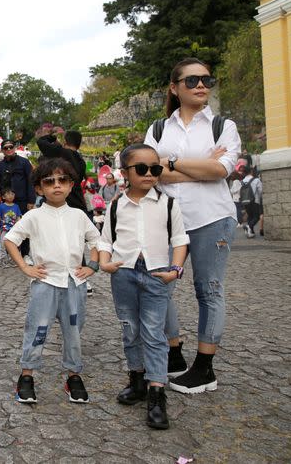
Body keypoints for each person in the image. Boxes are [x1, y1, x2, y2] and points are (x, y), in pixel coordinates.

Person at [144, 57, 241, 394]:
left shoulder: (222, 126)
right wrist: (202, 165)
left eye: (206, 80)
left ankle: (204, 368)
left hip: (212, 217)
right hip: (169, 220)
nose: (201, 85)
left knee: (208, 289)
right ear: (174, 87)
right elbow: (148, 172)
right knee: (160, 286)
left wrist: (171, 163)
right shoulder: (159, 128)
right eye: (192, 80)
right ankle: (173, 353)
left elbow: (222, 171)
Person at [98, 143, 190, 430]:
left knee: (154, 332)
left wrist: (175, 269)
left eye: (155, 168)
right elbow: (105, 241)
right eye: (142, 169)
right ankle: (136, 379)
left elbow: (179, 239)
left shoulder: (168, 204)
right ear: (125, 172)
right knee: (130, 328)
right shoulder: (115, 206)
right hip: (123, 273)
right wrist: (104, 262)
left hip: (156, 274)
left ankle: (156, 392)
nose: (150, 174)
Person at [5, 157, 100, 405]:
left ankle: (74, 375)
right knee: (37, 329)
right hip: (45, 283)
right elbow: (10, 240)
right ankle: (27, 376)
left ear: (71, 185)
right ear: (39, 188)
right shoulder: (34, 216)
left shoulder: (79, 215)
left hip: (74, 284)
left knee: (74, 332)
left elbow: (96, 240)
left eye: (62, 180)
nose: (56, 186)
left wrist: (93, 265)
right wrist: (25, 267)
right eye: (49, 181)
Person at [0, 140, 36, 255]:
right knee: (7, 227)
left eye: (10, 147)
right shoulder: (0, 165)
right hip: (7, 202)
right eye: (6, 148)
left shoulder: (24, 162)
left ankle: (25, 253)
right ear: (3, 150)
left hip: (22, 200)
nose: (8, 150)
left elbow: (30, 181)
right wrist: (2, 198)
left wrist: (31, 200)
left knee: (24, 227)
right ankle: (11, 253)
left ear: (15, 148)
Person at [37, 130, 87, 214]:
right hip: (77, 202)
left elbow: (41, 142)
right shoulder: (81, 161)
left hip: (62, 203)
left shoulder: (61, 152)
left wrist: (53, 137)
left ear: (65, 141)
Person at [0, 187, 22, 262]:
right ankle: (3, 259)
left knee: (13, 244)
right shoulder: (1, 206)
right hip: (4, 229)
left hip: (14, 229)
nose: (11, 195)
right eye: (8, 194)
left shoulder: (16, 206)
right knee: (3, 244)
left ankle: (13, 258)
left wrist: (19, 228)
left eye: (12, 194)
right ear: (3, 197)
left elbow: (18, 217)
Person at [240, 168, 262, 239]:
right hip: (255, 200)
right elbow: (260, 191)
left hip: (245, 201)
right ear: (251, 171)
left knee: (250, 216)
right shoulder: (256, 180)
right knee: (257, 216)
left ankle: (251, 232)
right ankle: (249, 226)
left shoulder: (242, 181)